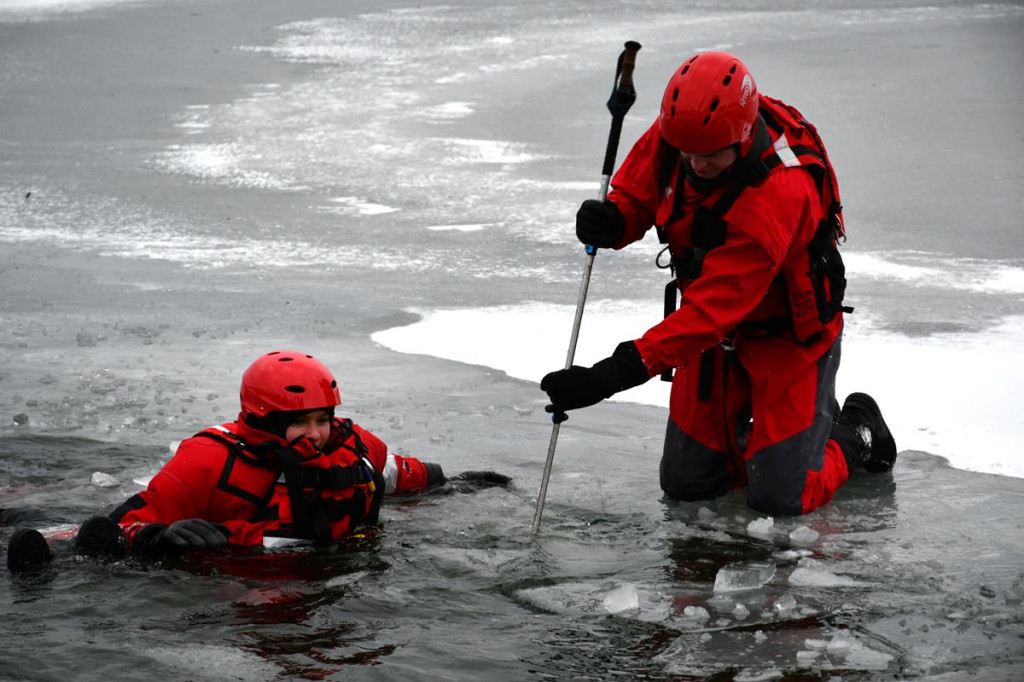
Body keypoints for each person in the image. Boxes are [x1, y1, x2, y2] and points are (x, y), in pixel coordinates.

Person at [540, 50, 896, 517]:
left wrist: (610, 375)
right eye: (686, 152)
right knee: (688, 484)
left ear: (743, 135)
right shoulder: (688, 130)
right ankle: (761, 440)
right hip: (717, 338)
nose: (694, 163)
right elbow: (642, 188)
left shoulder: (778, 195)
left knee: (778, 499)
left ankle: (854, 433)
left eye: (708, 156)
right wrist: (617, 218)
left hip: (786, 336)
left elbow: (711, 311)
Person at [5, 350, 510, 571]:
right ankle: (29, 520)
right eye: (300, 421)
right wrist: (157, 538)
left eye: (323, 418)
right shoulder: (207, 460)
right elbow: (131, 521)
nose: (317, 433)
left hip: (313, 558)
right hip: (233, 556)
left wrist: (455, 480)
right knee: (77, 527)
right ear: (264, 418)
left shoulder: (353, 444)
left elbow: (394, 473)